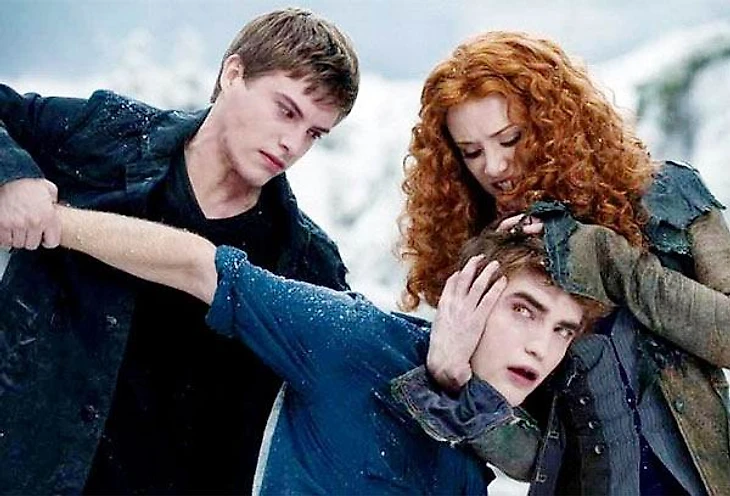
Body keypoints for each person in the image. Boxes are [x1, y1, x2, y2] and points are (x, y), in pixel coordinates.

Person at [0, 8, 359, 494]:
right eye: (286, 111)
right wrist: (13, 177)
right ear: (233, 74)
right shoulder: (108, 137)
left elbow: (347, 391)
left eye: (315, 133)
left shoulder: (305, 261)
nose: (293, 143)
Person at [50, 204, 607, 494]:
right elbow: (203, 269)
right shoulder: (354, 338)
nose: (541, 347)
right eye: (524, 310)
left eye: (563, 330)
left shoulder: (482, 451)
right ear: (468, 289)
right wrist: (53, 223)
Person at [397, 31, 730, 495]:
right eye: (471, 152)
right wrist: (458, 386)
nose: (494, 166)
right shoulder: (489, 256)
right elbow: (535, 459)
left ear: (554, 123)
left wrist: (602, 257)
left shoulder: (667, 196)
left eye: (509, 139)